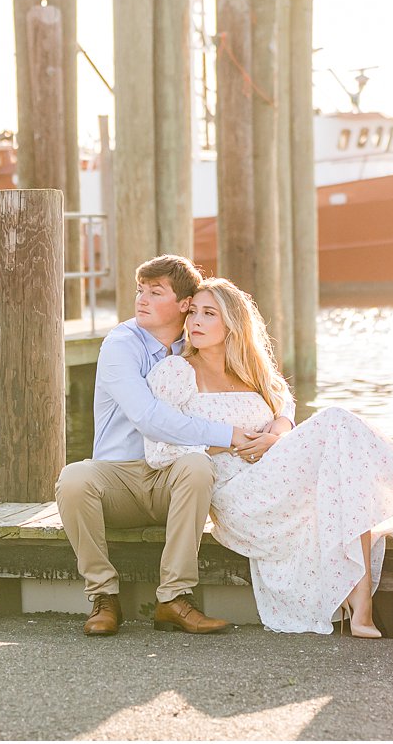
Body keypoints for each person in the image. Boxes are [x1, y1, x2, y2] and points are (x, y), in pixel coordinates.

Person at [144, 277, 393, 637]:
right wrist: (228, 442)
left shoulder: (252, 374)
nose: (195, 321)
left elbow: (286, 409)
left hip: (274, 479)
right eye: (194, 313)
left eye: (209, 313)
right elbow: (159, 451)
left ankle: (362, 610)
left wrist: (277, 433)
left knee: (346, 465)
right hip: (235, 496)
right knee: (337, 422)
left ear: (233, 323)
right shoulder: (176, 373)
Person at [55, 255, 273, 637]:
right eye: (140, 290)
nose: (142, 299)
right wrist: (228, 434)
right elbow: (147, 416)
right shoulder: (121, 345)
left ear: (184, 304)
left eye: (156, 292)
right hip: (118, 481)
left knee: (197, 466)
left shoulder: (197, 343)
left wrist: (281, 422)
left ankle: (174, 599)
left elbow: (258, 380)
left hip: (170, 480)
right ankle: (104, 597)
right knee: (73, 478)